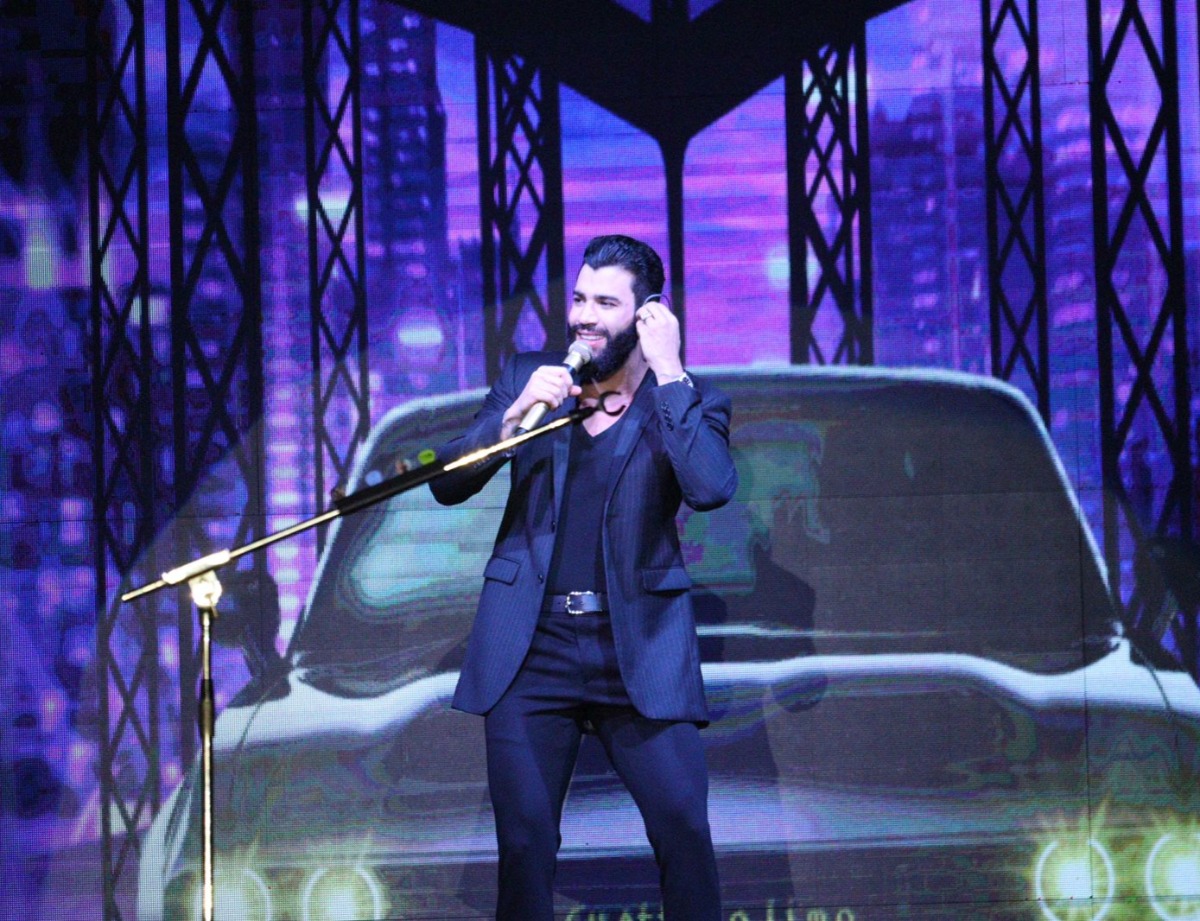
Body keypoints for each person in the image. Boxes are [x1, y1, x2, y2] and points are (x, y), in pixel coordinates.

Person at [431, 234, 736, 920]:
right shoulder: (531, 379)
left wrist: (671, 372)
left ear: (647, 314)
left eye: (605, 302)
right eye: (578, 299)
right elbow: (447, 481)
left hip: (638, 646)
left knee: (683, 828)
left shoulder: (686, 398)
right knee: (525, 845)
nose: (584, 317)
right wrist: (510, 420)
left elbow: (711, 487)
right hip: (532, 649)